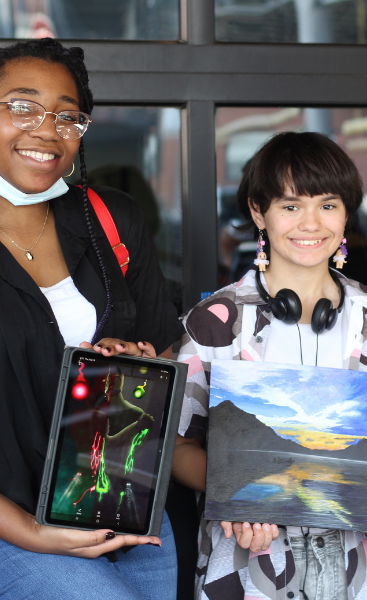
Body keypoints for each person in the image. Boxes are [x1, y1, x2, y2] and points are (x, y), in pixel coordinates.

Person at [171, 131, 367, 600]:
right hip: (249, 564)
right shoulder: (215, 322)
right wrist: (235, 492)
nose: (311, 223)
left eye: (327, 205)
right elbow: (175, 445)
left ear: (347, 212)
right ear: (258, 212)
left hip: (361, 569)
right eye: (291, 206)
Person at [0, 38, 184, 599]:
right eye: (22, 106)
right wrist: (33, 530)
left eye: (67, 115)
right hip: (12, 524)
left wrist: (140, 361)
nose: (47, 128)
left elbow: (162, 347)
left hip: (121, 500)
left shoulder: (109, 218)